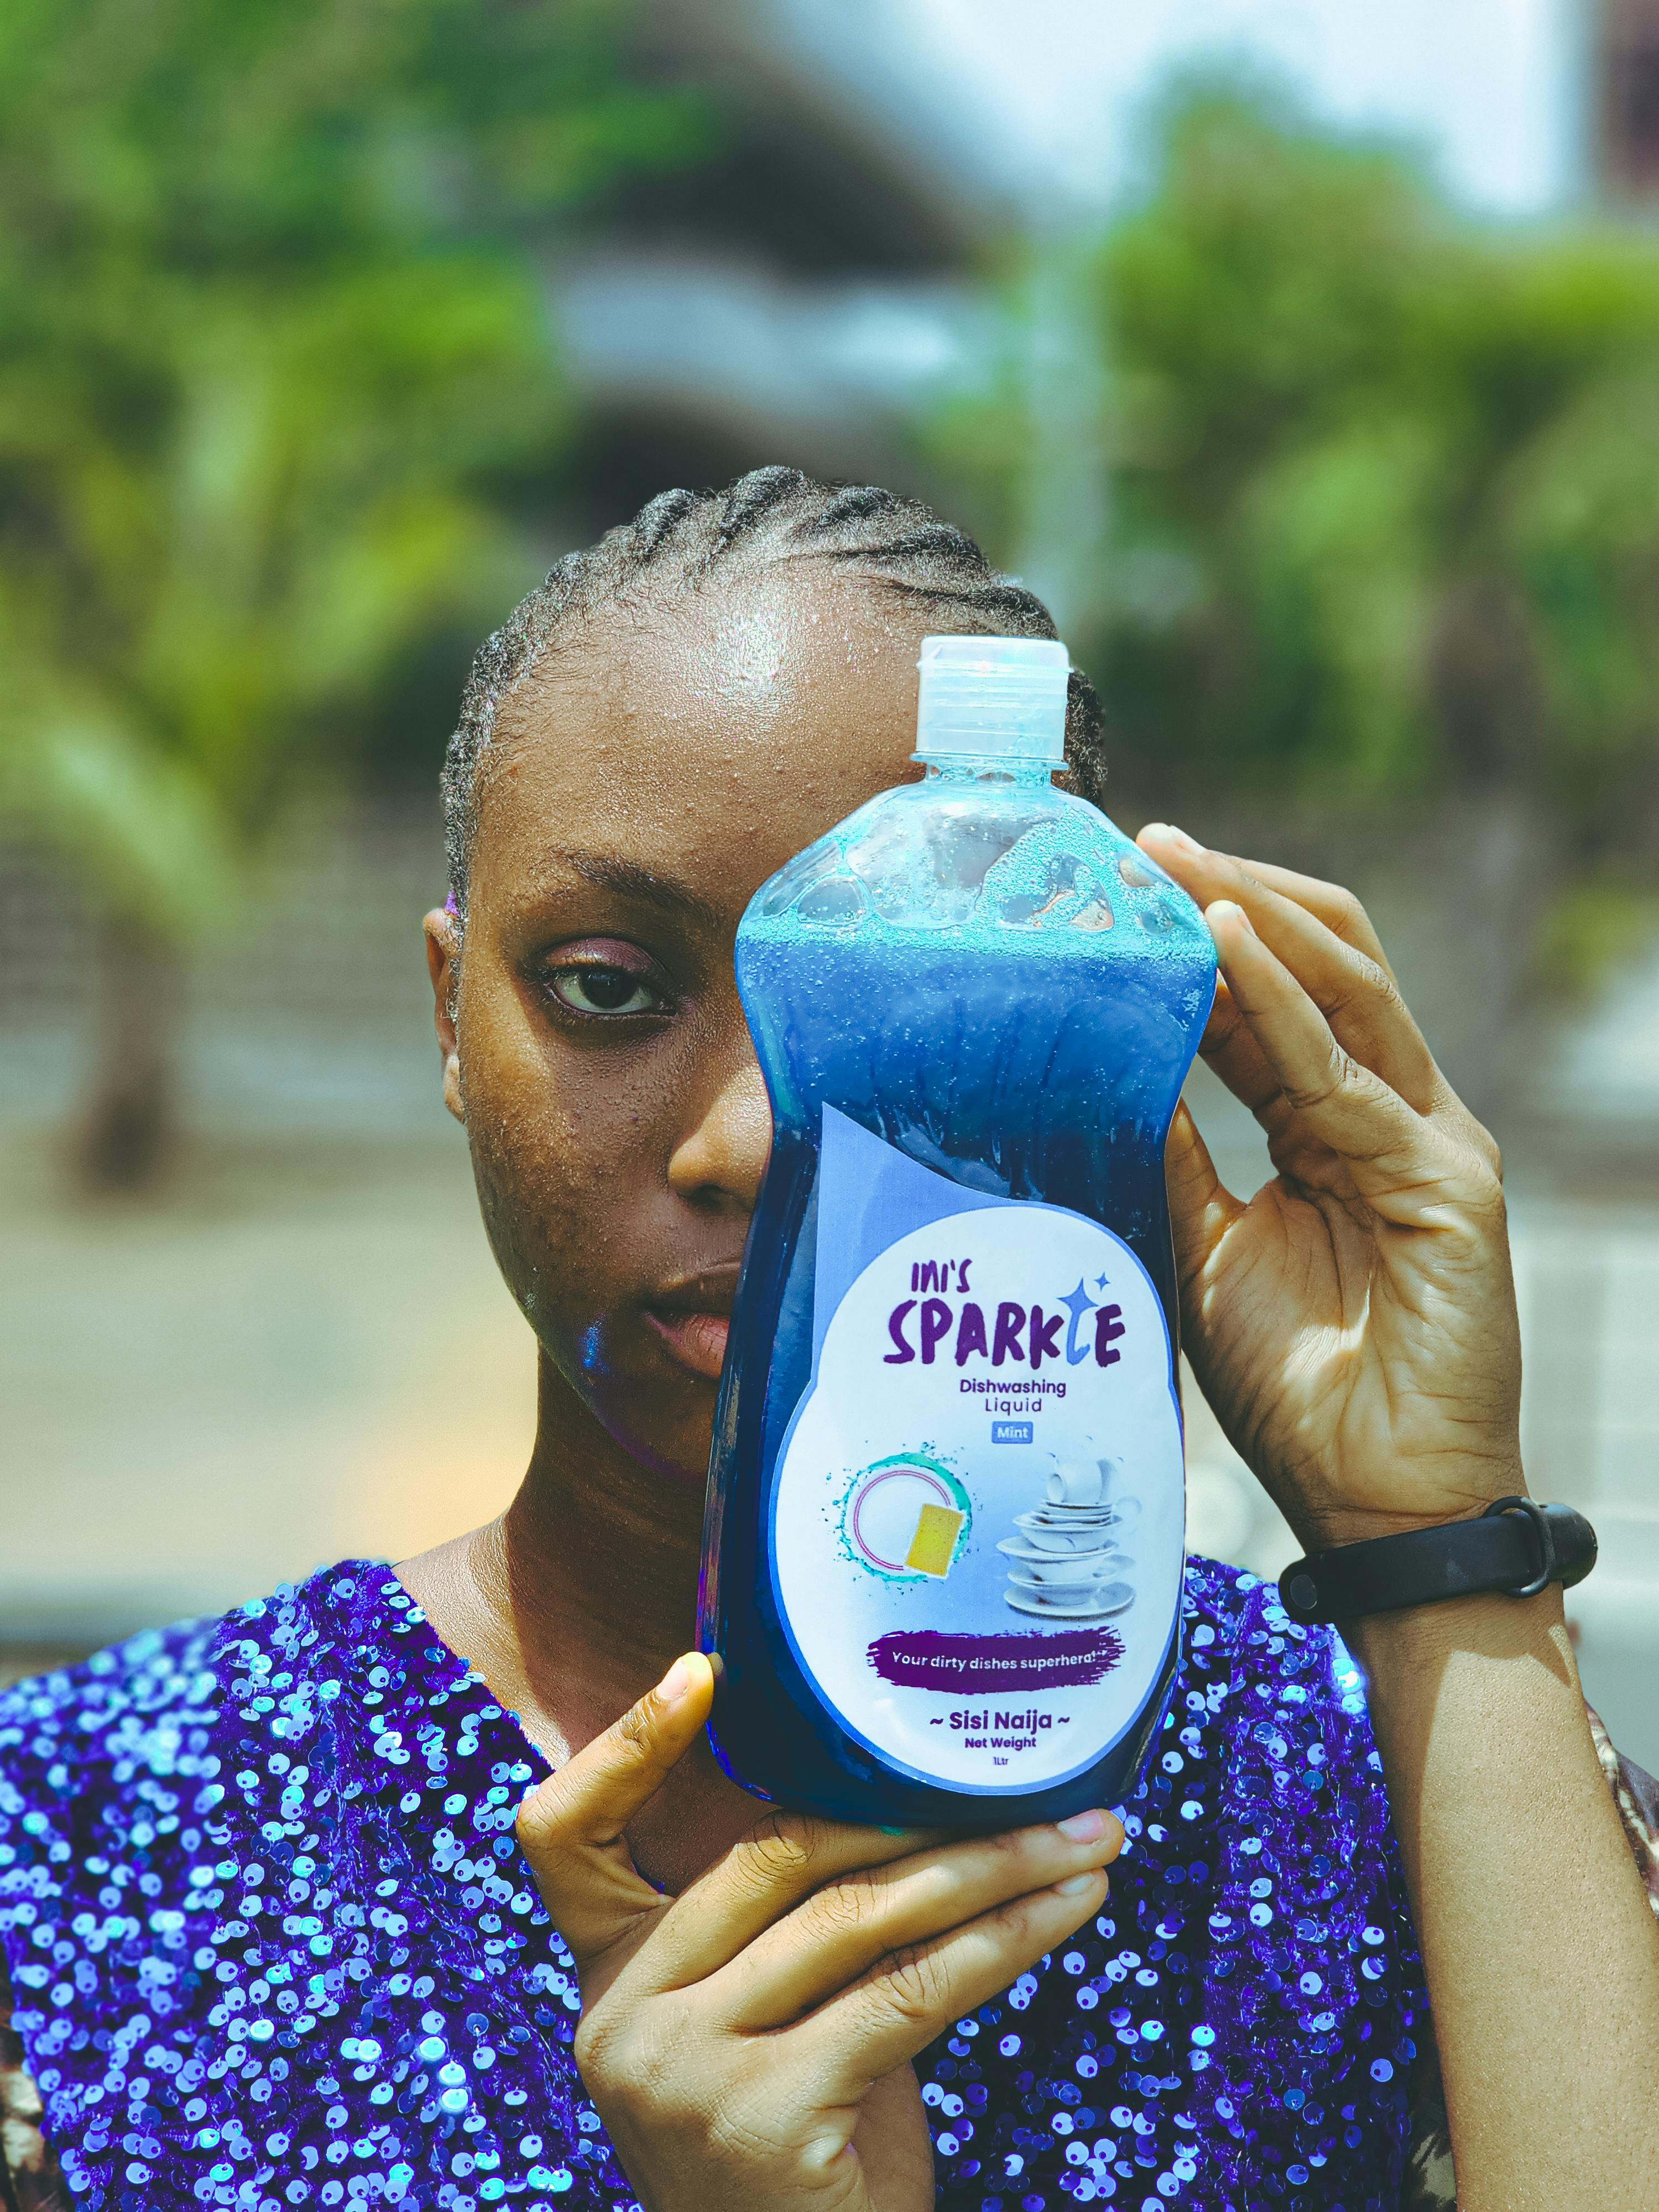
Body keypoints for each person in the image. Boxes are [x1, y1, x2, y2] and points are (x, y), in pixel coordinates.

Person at [2, 469, 1656, 2212]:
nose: (746, 1141)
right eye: (607, 988)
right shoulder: (101, 1850)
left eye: (913, 1000)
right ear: (449, 1019)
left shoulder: (1369, 1797)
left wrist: (1432, 1534)